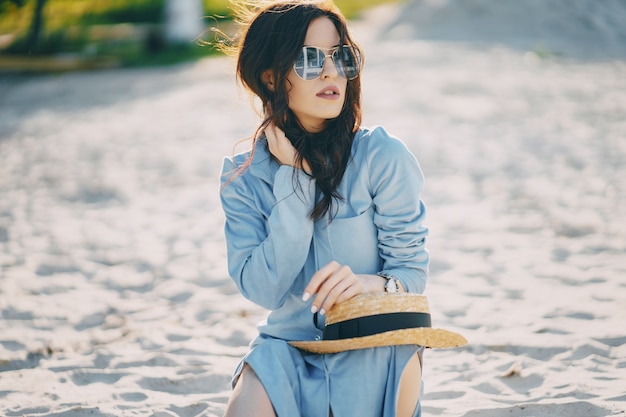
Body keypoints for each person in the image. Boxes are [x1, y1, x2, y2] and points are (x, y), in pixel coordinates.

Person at [219, 1, 429, 416]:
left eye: (340, 56)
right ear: (271, 76)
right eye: (310, 59)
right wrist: (296, 179)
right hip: (286, 349)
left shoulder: (382, 156)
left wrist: (370, 284)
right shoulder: (241, 177)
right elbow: (264, 291)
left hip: (374, 340)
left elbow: (411, 274)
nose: (331, 72)